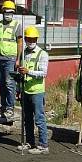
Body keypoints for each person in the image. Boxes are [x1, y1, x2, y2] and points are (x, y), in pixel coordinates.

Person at [17, 26, 49, 154]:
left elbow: (43, 73)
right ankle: (30, 142)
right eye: (28, 39)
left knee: (39, 118)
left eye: (33, 39)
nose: (30, 41)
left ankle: (43, 145)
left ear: (36, 39)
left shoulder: (42, 54)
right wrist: (19, 89)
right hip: (25, 89)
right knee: (27, 118)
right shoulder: (24, 53)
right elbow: (21, 72)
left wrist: (28, 71)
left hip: (37, 91)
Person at [0, 0, 23, 122]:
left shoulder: (16, 25)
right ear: (2, 12)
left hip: (10, 59)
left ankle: (10, 108)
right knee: (1, 84)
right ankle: (3, 107)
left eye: (10, 12)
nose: (8, 14)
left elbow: (20, 43)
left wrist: (18, 59)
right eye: (6, 12)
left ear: (13, 13)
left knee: (9, 84)